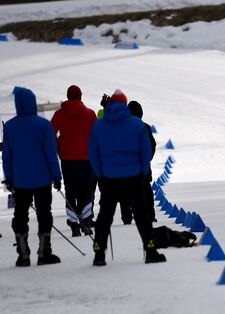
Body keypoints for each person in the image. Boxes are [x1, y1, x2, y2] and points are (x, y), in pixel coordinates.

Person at [88, 89, 165, 266]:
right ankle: (150, 250)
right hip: (133, 177)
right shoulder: (137, 125)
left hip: (108, 178)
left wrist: (100, 173)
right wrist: (142, 171)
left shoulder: (99, 126)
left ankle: (99, 254)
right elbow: (146, 151)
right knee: (142, 216)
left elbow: (92, 152)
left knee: (105, 217)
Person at [2, 87, 63, 267]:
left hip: (20, 181)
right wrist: (56, 175)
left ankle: (23, 254)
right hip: (43, 179)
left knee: (20, 216)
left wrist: (9, 178)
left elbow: (7, 156)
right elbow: (50, 153)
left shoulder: (11, 126)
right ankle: (44, 252)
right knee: (45, 215)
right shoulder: (43, 125)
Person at [51, 85, 97, 237]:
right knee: (86, 190)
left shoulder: (59, 114)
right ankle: (86, 220)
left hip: (68, 159)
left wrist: (60, 145)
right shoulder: (90, 114)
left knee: (70, 191)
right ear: (80, 96)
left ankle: (74, 224)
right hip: (86, 159)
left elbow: (50, 134)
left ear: (68, 96)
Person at [119, 100, 157, 224]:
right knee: (146, 190)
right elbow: (152, 145)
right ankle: (150, 215)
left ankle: (126, 217)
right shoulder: (145, 127)